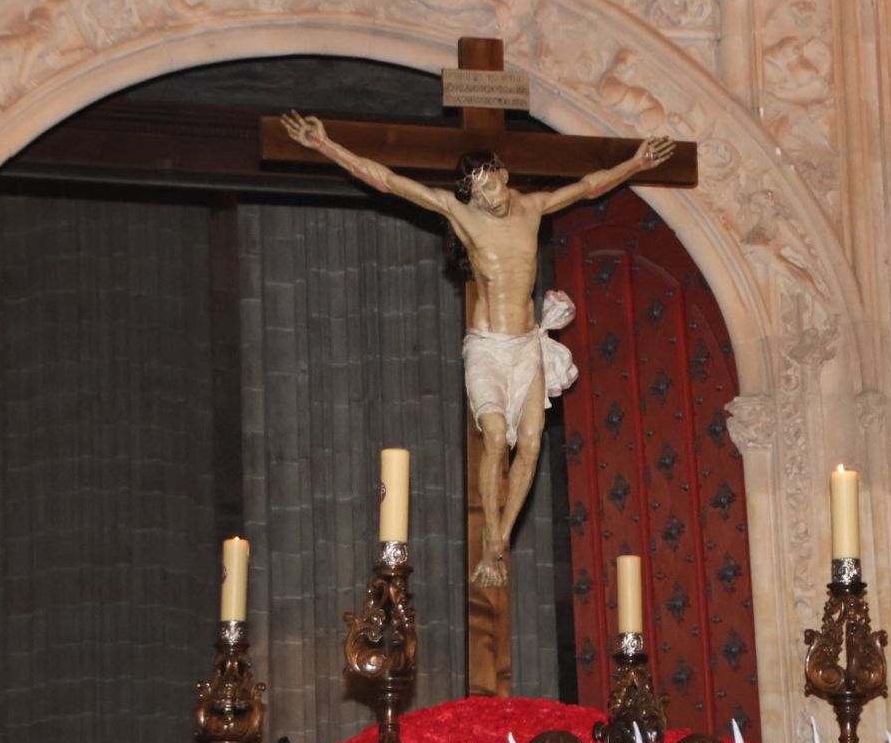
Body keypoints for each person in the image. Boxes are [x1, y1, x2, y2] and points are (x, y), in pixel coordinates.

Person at [280, 111, 674, 582]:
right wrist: (327, 146)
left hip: (526, 343)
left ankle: (500, 538)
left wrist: (636, 163)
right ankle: (490, 530)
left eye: (493, 184)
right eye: (480, 191)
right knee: (493, 436)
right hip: (488, 346)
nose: (489, 197)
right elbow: (388, 181)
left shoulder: (533, 207)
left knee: (530, 444)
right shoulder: (462, 214)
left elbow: (589, 185)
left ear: (504, 175)